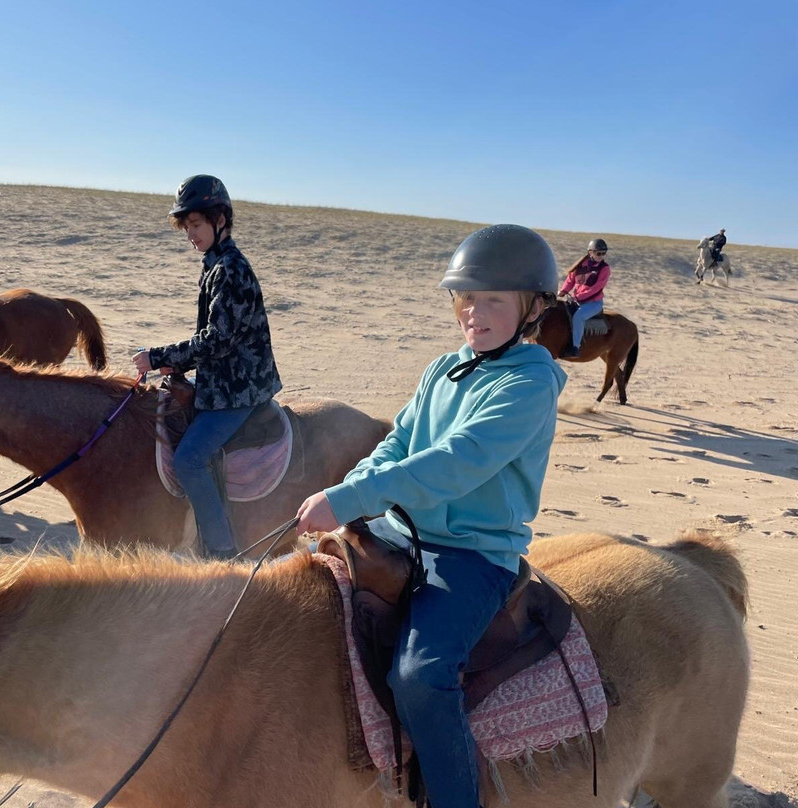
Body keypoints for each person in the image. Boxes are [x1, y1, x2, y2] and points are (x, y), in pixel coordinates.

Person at [296, 224, 566, 808]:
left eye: (494, 299)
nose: (475, 312)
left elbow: (454, 463)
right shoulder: (443, 367)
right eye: (466, 298)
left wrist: (345, 502)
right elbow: (400, 444)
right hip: (399, 531)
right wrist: (351, 487)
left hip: (470, 553)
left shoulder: (530, 383)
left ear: (534, 307)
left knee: (420, 679)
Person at [132, 175, 281, 559]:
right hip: (224, 379)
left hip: (240, 388)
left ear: (219, 220)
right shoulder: (215, 264)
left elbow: (218, 340)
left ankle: (221, 551)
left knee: (190, 459)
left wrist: (159, 357)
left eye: (196, 225)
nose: (190, 235)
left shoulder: (231, 269)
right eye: (186, 227)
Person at [557, 237, 611, 357]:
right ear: (590, 252)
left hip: (593, 303)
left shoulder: (604, 268)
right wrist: (564, 290)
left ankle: (575, 347)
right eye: (599, 253)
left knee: (579, 317)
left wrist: (579, 297)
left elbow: (597, 288)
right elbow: (570, 280)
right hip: (576, 300)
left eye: (604, 253)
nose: (601, 256)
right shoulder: (579, 266)